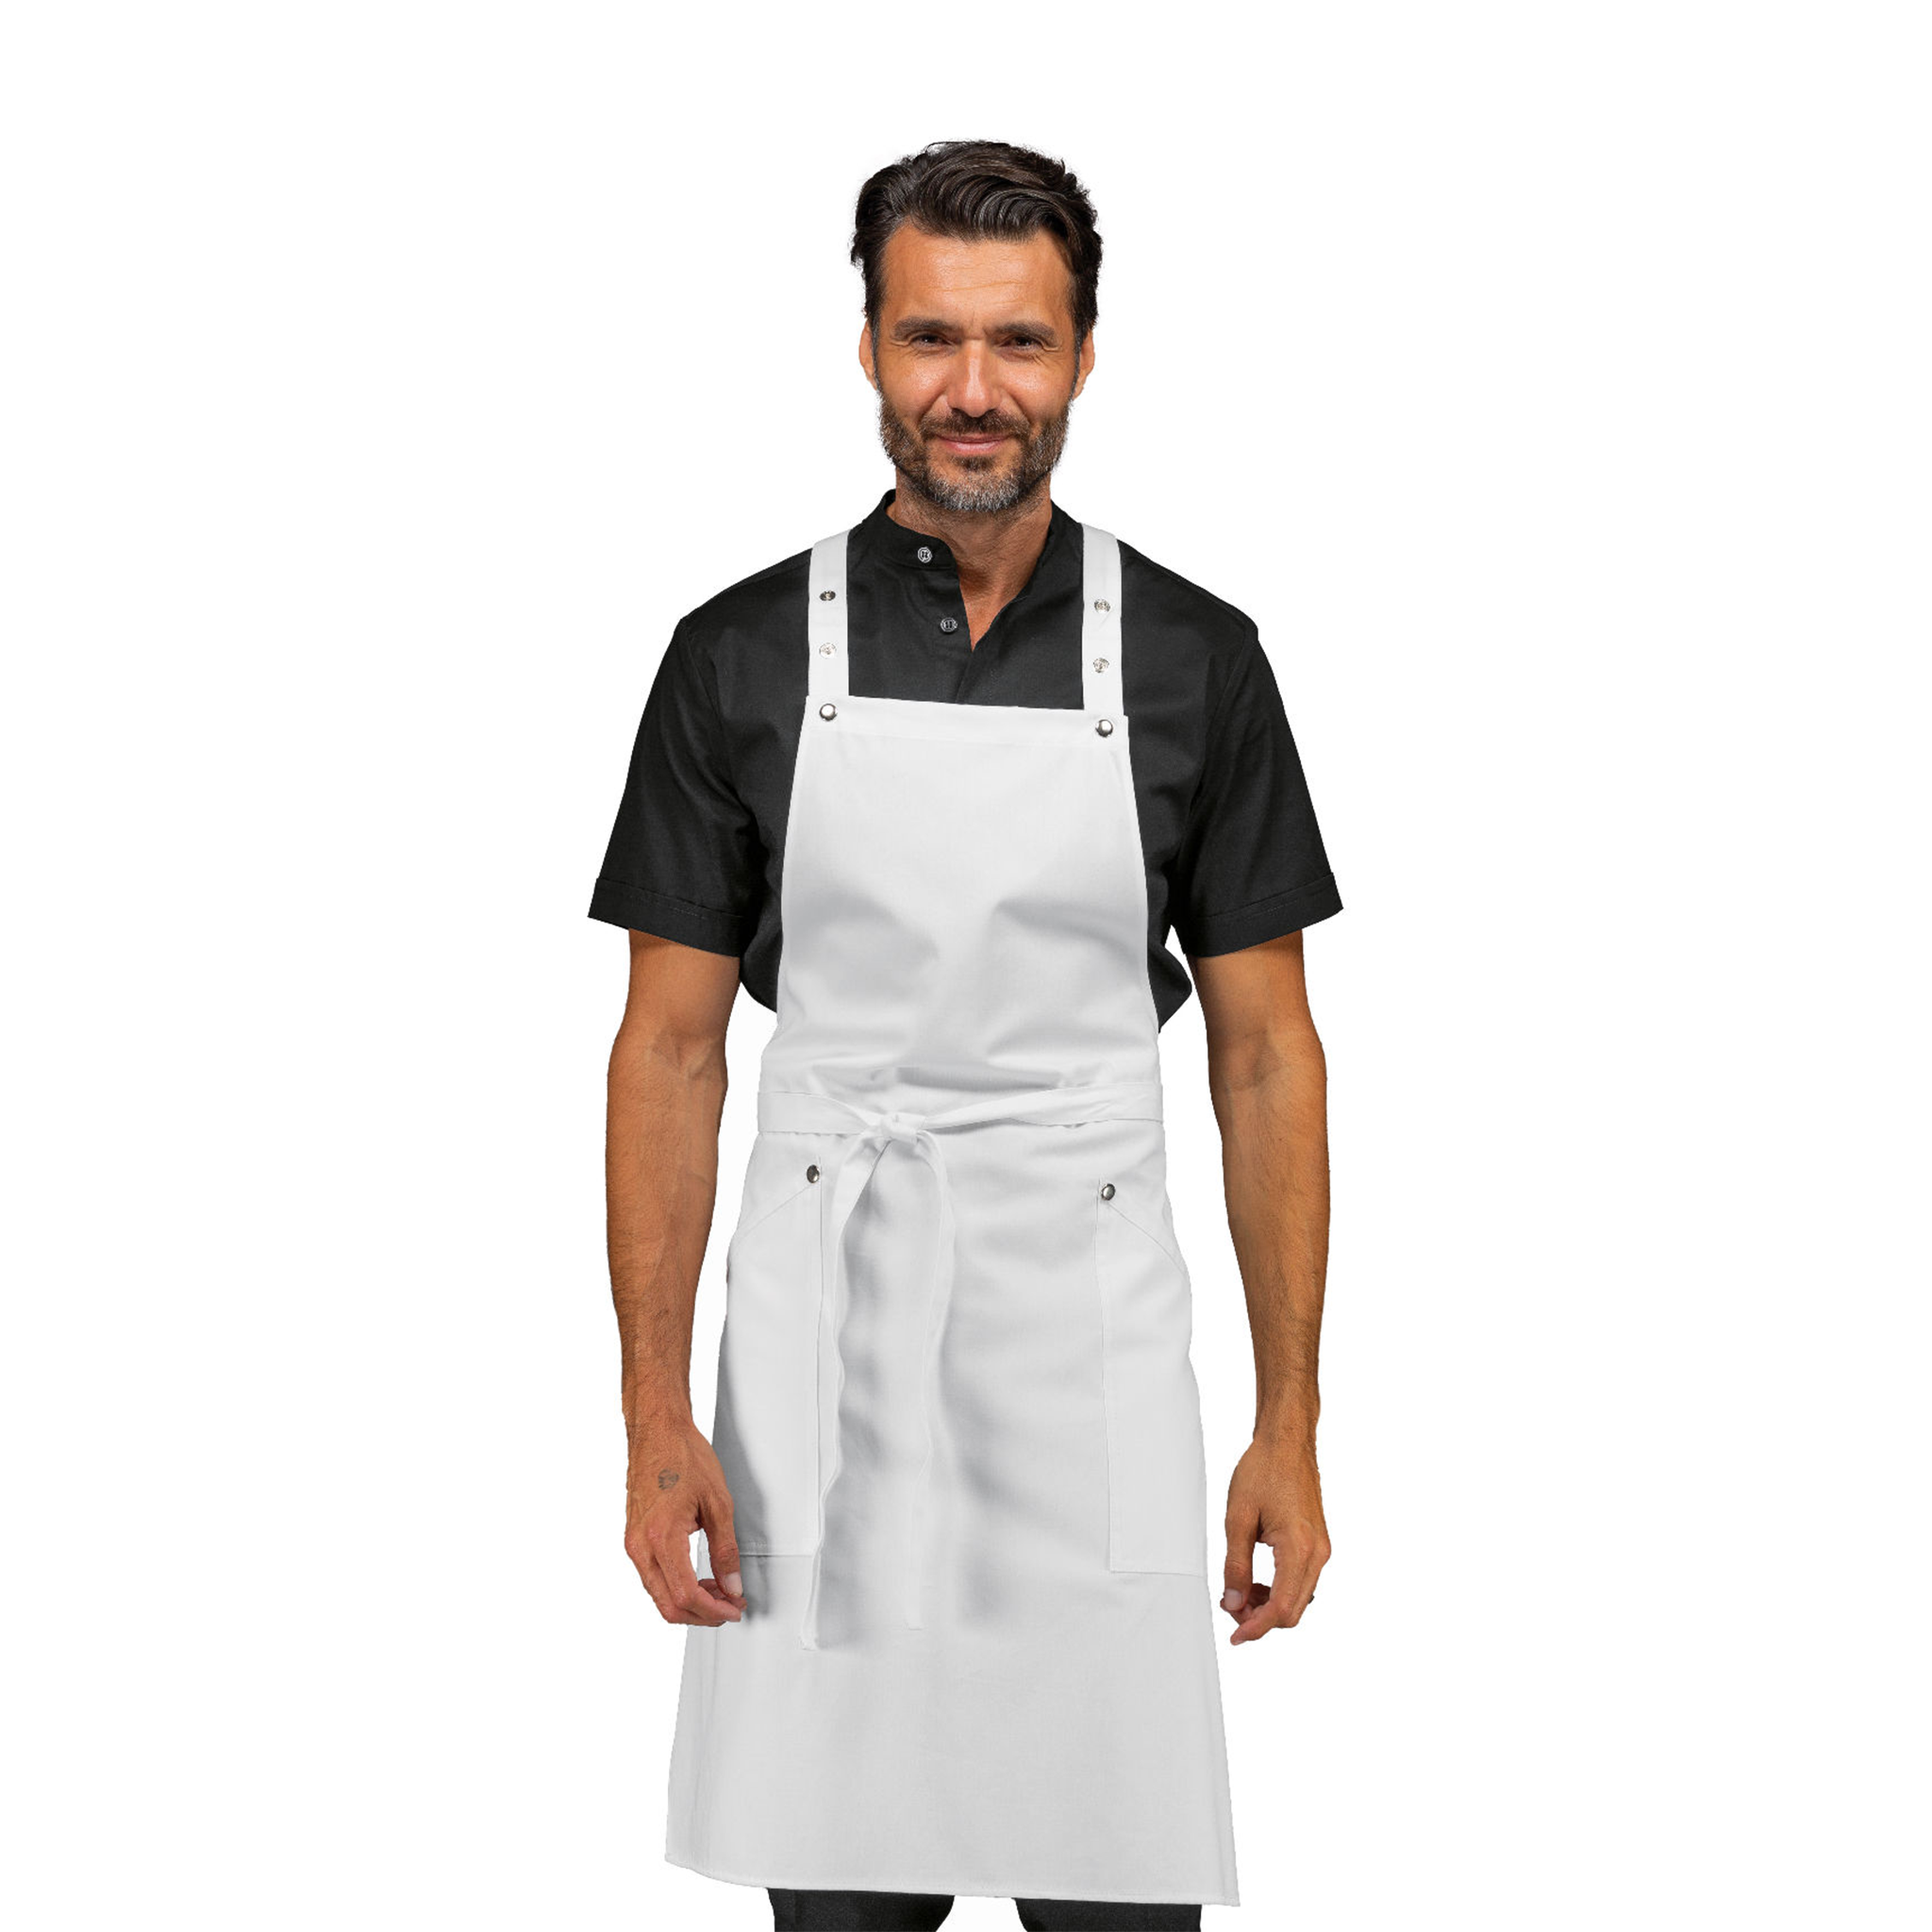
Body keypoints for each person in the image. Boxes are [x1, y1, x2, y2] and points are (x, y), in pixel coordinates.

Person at [591, 140, 1340, 1930]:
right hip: (824, 1346)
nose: (974, 389)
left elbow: (1266, 1058)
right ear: (868, 345)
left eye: (1019, 340)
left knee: (1118, 1883)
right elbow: (668, 1055)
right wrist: (652, 1417)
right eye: (931, 336)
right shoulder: (735, 656)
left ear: (1083, 354)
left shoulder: (1198, 659)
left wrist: (1290, 1423)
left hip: (1090, 1347)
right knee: (841, 1894)